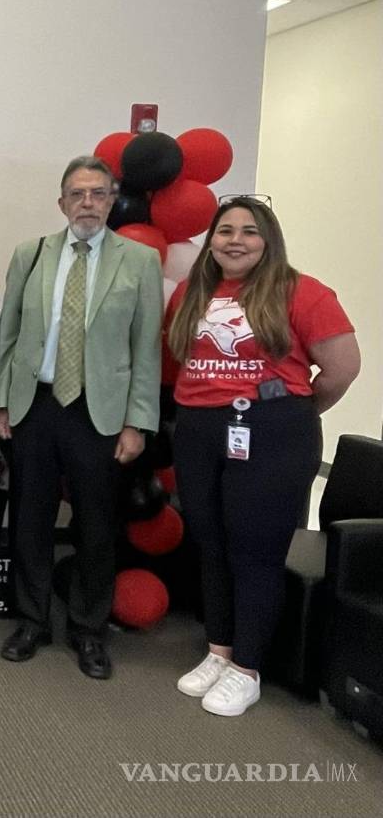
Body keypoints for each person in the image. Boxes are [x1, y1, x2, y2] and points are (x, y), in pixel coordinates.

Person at [165, 196, 359, 716]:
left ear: (268, 239)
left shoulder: (304, 292)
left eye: (249, 231)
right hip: (201, 429)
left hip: (271, 431)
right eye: (224, 231)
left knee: (255, 550)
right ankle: (220, 650)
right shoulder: (191, 291)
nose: (235, 240)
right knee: (210, 542)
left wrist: (291, 410)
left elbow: (342, 368)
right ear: (211, 241)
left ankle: (247, 667)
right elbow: (180, 357)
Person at [0, 156, 162, 680]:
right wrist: (0, 399)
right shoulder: (31, 254)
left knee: (95, 524)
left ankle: (88, 629)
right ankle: (32, 620)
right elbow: (9, 332)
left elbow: (146, 347)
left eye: (98, 193)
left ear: (112, 200)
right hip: (36, 404)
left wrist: (138, 421)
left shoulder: (139, 261)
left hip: (99, 409)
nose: (87, 202)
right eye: (77, 193)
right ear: (62, 202)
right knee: (30, 519)